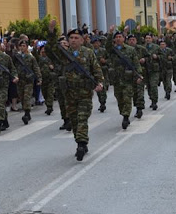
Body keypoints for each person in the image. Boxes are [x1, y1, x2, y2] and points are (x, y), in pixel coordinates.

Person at [46, 21, 104, 161]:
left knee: (82, 118)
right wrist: (51, 31)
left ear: (82, 40)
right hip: (69, 93)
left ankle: (81, 144)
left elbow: (96, 69)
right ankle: (81, 141)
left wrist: (100, 82)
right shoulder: (64, 53)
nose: (73, 40)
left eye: (76, 38)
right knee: (74, 120)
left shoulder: (88, 53)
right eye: (71, 38)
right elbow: (50, 49)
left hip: (84, 93)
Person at [106, 26, 142, 129]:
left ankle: (126, 116)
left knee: (127, 98)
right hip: (116, 79)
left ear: (123, 38)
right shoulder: (112, 50)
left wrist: (139, 74)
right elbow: (107, 46)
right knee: (120, 99)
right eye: (116, 37)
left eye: (120, 37)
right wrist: (110, 33)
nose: (118, 38)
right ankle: (123, 113)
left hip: (127, 79)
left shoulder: (130, 50)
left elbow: (136, 63)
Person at [13, 39, 42, 125]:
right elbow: (13, 67)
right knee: (21, 97)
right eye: (20, 46)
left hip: (28, 80)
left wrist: (39, 78)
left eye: (24, 46)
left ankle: (26, 114)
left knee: (26, 97)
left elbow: (36, 68)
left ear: (26, 47)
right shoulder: (17, 57)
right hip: (20, 80)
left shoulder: (31, 57)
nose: (22, 48)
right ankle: (26, 111)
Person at [143, 33, 161, 111]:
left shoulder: (156, 47)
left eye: (149, 38)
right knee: (149, 86)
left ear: (152, 39)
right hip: (145, 69)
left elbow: (163, 56)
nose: (148, 39)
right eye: (146, 38)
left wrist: (157, 57)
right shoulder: (142, 48)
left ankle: (154, 101)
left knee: (153, 85)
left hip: (154, 70)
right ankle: (151, 98)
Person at [92, 36, 109, 112]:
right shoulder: (90, 51)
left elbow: (110, 59)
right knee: (97, 88)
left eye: (97, 42)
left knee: (102, 87)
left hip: (102, 71)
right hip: (93, 72)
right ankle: (101, 102)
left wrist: (105, 61)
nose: (96, 44)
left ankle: (103, 103)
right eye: (94, 43)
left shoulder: (103, 51)